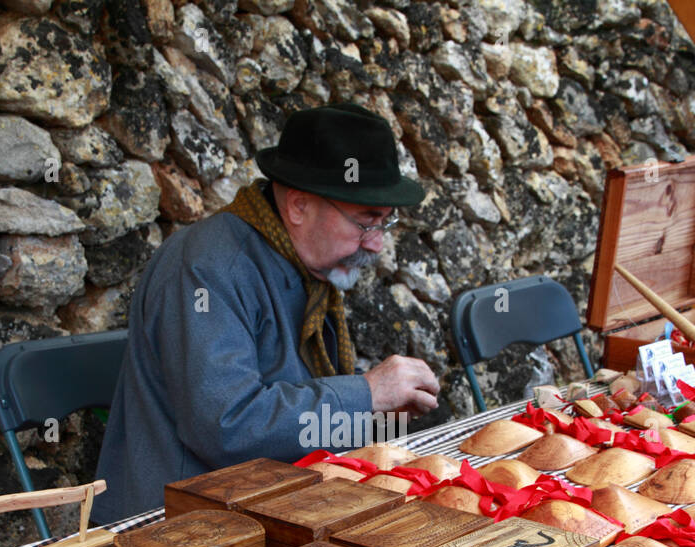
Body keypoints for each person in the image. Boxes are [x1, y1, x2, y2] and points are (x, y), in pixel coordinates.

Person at [91, 103, 441, 522]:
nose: (376, 244)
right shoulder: (206, 268)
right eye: (366, 222)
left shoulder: (304, 263)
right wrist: (365, 395)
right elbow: (227, 426)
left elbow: (295, 412)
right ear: (298, 206)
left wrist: (371, 417)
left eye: (384, 223)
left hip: (266, 504)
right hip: (179, 530)